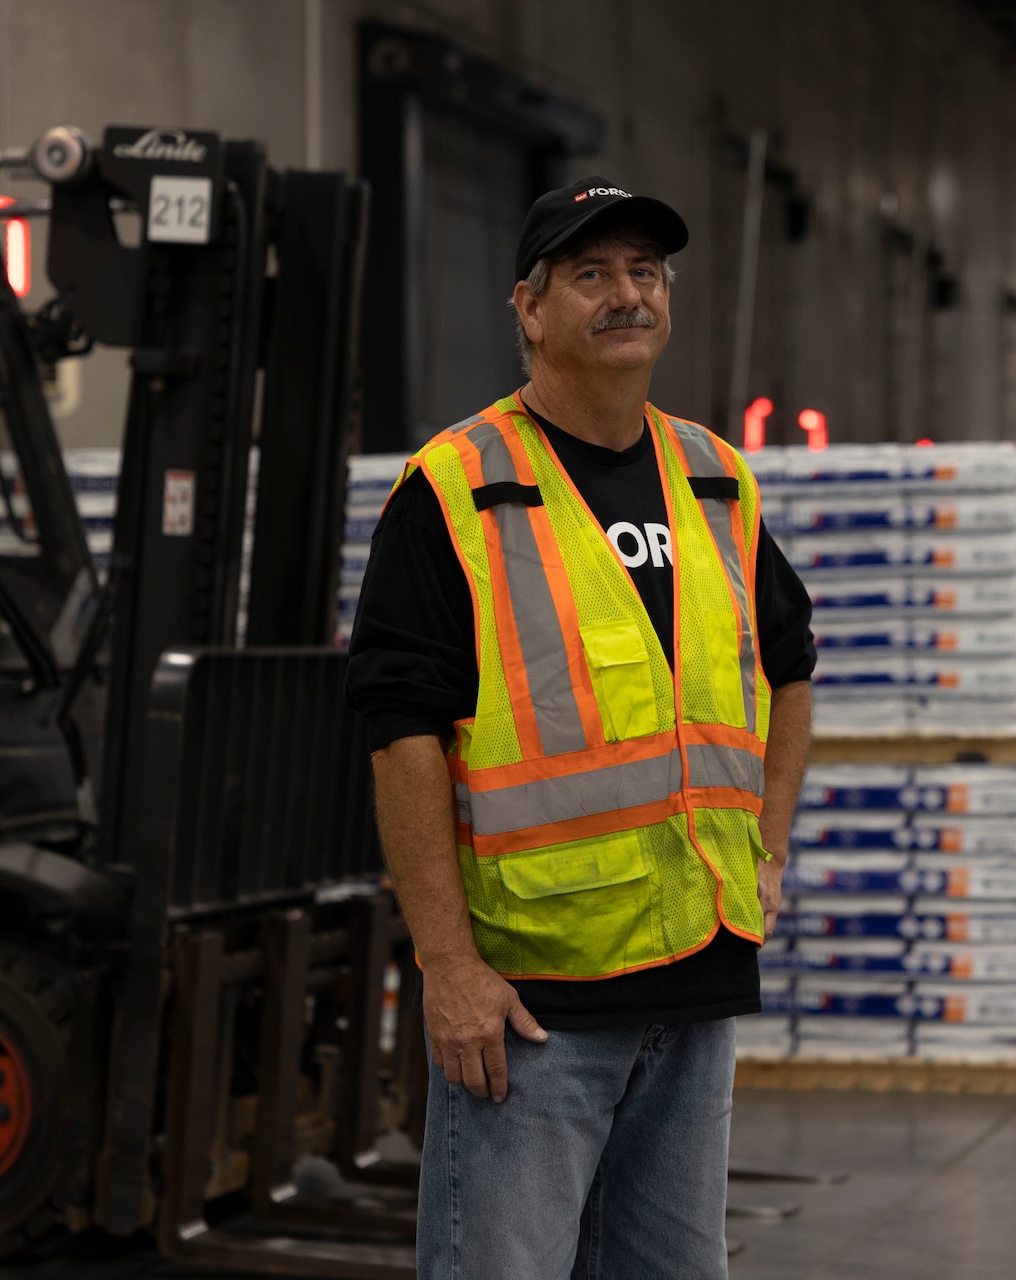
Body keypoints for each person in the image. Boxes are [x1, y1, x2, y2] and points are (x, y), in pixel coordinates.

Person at [346, 177, 816, 1279]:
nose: (627, 295)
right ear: (530, 307)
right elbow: (399, 727)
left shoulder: (713, 478)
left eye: (645, 272)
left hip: (696, 988)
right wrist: (448, 963)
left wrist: (772, 844)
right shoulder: (456, 488)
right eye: (591, 273)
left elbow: (789, 667)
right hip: (534, 1007)